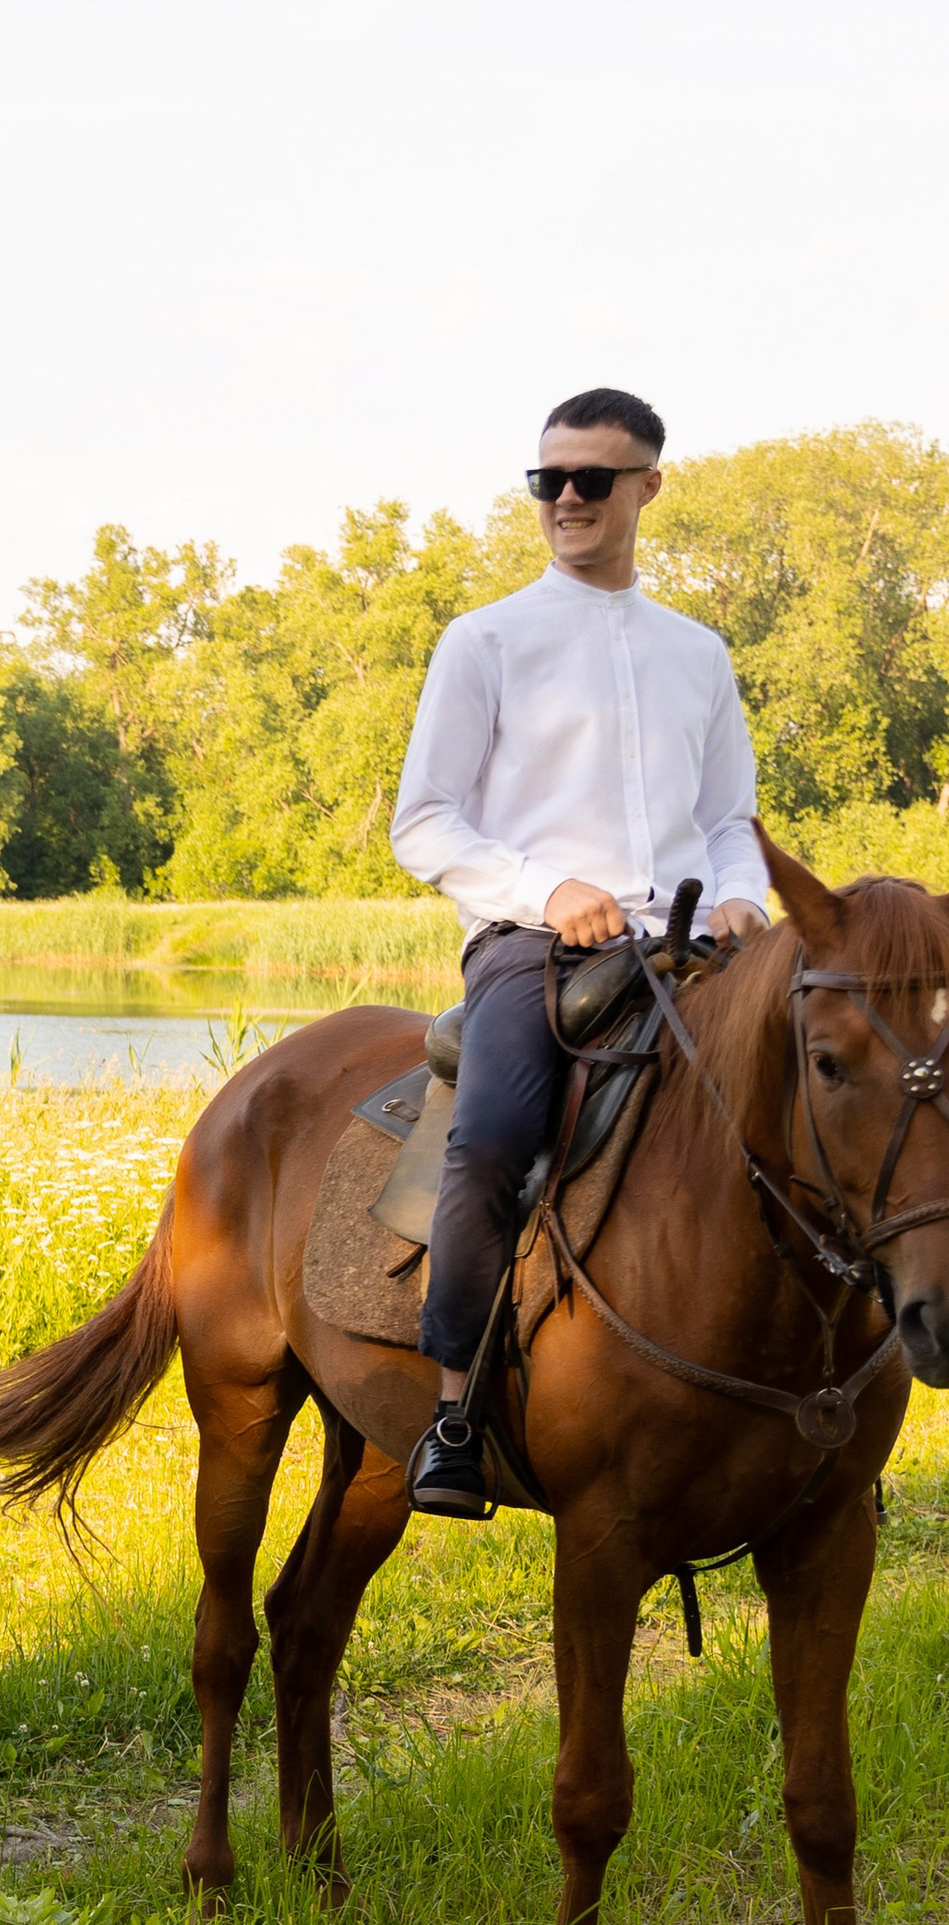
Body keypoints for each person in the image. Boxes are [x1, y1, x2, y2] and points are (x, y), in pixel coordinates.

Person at [391, 388, 768, 1518]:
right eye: (546, 480)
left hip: (694, 943)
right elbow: (425, 821)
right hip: (532, 949)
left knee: (818, 1103)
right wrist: (546, 891)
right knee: (494, 1138)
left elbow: (730, 822)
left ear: (646, 486)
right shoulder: (485, 640)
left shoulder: (699, 655)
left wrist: (744, 902)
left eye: (591, 480)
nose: (564, 498)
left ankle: (811, 1411)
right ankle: (454, 1411)